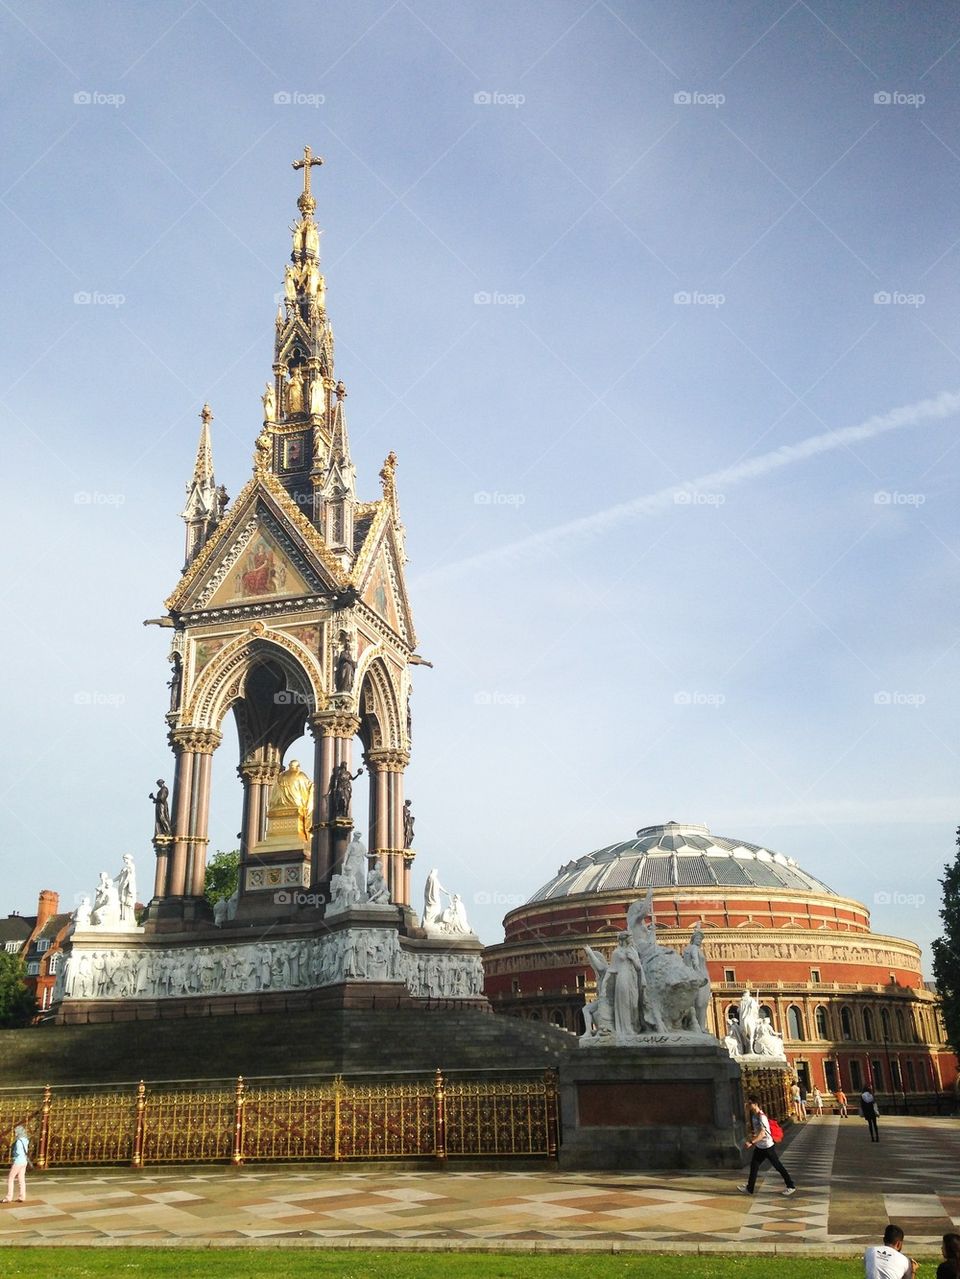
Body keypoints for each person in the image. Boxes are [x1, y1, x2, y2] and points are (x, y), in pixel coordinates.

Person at [739, 1096, 796, 1197]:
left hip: (767, 1147)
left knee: (778, 1166)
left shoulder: (762, 1117)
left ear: (755, 1104)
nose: (748, 1105)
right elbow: (757, 1132)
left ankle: (791, 1186)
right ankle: (750, 1188)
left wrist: (752, 1142)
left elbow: (763, 1134)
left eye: (750, 1103)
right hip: (760, 1146)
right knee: (754, 1166)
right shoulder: (754, 1116)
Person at [3, 1125, 31, 1203]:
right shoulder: (26, 1139)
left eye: (16, 1132)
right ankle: (22, 1196)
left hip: (18, 1161)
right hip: (24, 1161)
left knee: (10, 1178)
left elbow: (18, 1152)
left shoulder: (19, 1141)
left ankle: (9, 1197)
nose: (15, 1133)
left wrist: (14, 1156)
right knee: (21, 1179)